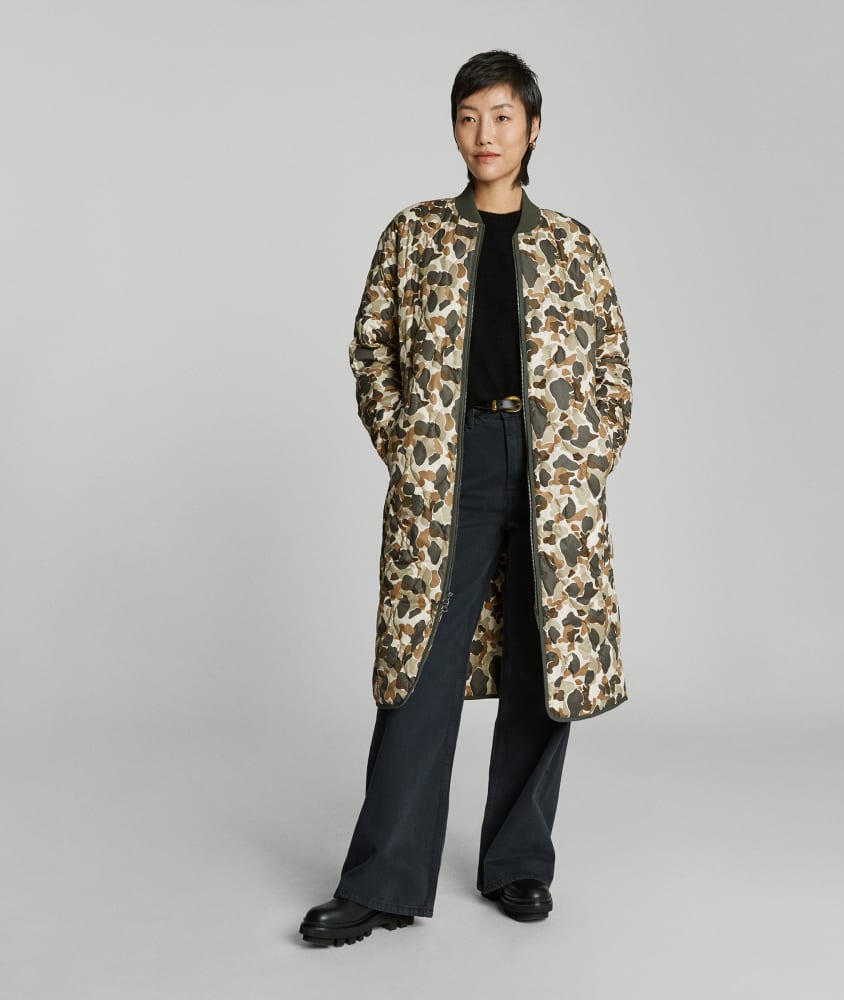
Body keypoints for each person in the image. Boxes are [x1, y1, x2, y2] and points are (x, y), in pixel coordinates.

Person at [299, 49, 633, 948]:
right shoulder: (413, 235)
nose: (484, 134)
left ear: (533, 128)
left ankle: (519, 862)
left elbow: (613, 369)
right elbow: (372, 351)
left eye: (501, 116)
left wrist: (582, 461)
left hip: (552, 473)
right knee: (420, 664)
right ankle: (382, 880)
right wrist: (410, 447)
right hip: (450, 467)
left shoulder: (572, 245)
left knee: (544, 662)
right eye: (468, 116)